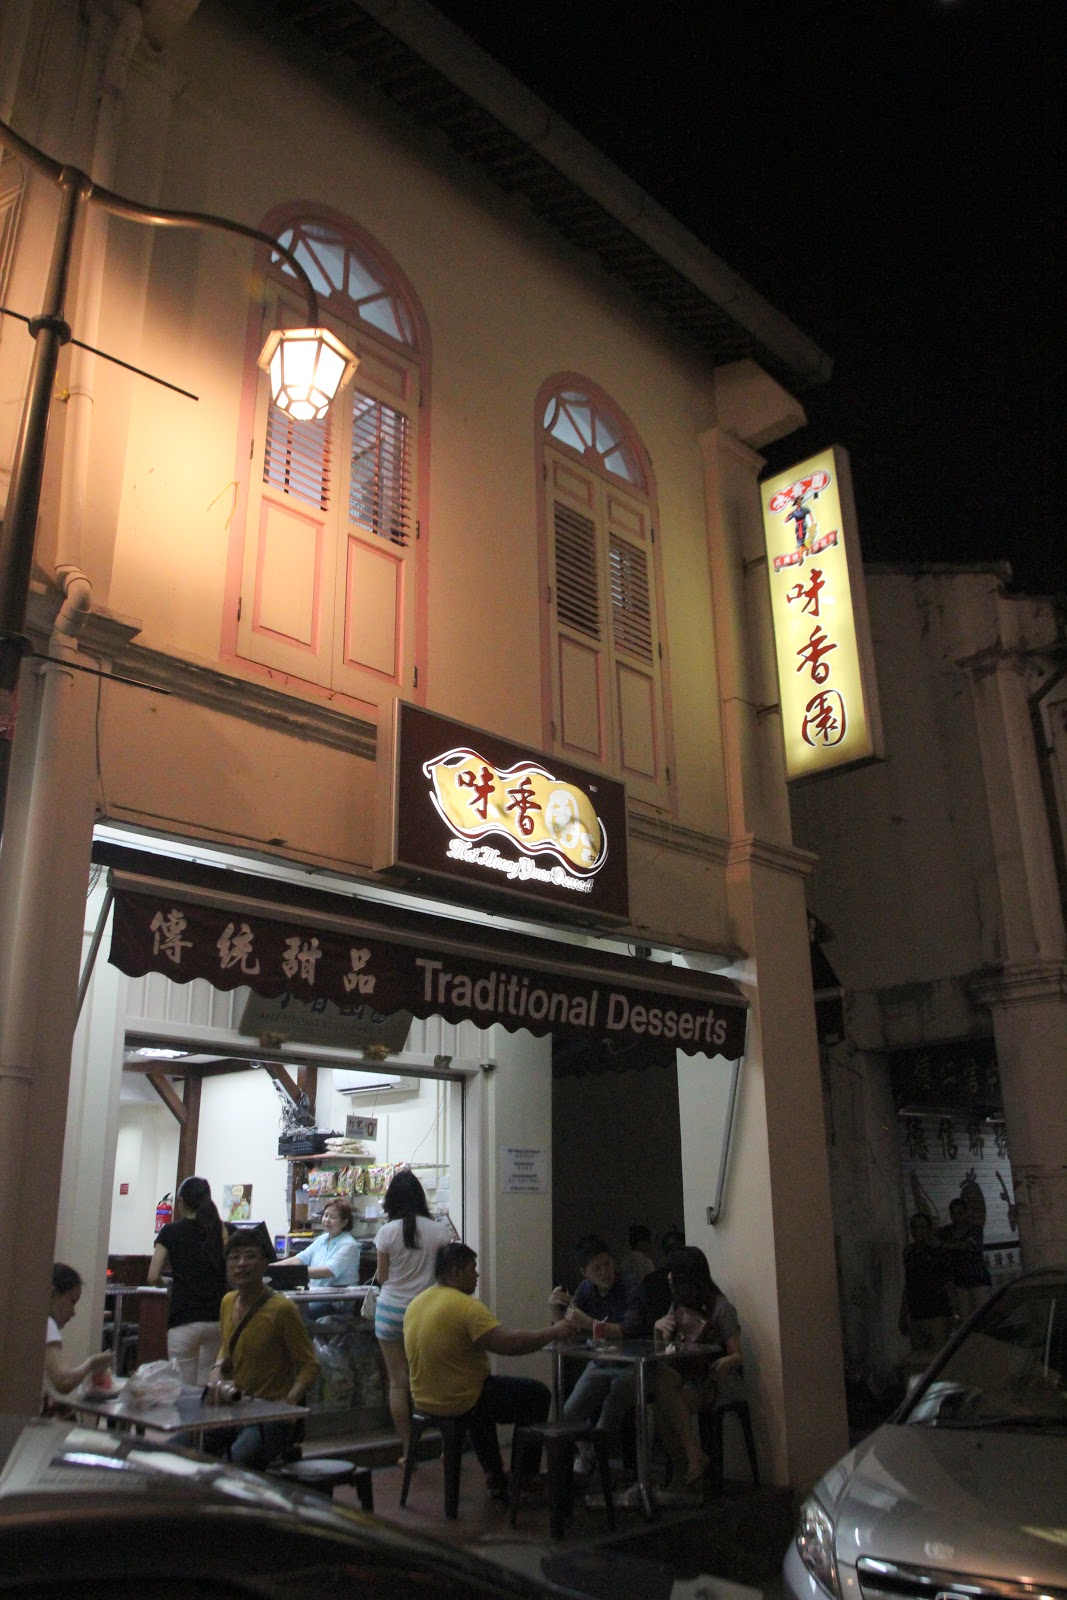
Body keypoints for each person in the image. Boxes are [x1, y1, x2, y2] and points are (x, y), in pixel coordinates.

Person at [404, 1241, 577, 1500]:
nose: (476, 1275)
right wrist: (554, 1331)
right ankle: (525, 1475)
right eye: (472, 1269)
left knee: (485, 1393)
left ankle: (494, 1473)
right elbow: (509, 1344)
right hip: (460, 1399)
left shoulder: (418, 1302)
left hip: (425, 1398)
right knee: (536, 1394)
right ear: (455, 1272)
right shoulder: (465, 1306)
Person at [204, 1229, 320, 1469]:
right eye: (234, 1257)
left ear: (265, 1262)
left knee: (232, 1467)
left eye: (250, 1256)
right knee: (178, 1449)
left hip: (269, 1419)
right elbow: (227, 1347)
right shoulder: (228, 1302)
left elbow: (309, 1365)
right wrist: (217, 1370)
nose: (241, 1264)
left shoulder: (281, 1309)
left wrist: (288, 1402)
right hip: (234, 1410)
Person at [372, 1169, 453, 1466]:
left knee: (398, 1382)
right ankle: (448, 1446)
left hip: (390, 1311)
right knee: (434, 1380)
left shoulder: (386, 1233)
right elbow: (445, 1274)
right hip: (428, 1313)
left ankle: (409, 1451)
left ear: (391, 1200)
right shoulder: (439, 1231)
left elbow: (382, 1278)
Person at [651, 1249, 743, 1492]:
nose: (669, 1277)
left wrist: (727, 1361)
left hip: (713, 1379)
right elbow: (663, 1354)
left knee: (663, 1407)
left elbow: (737, 1354)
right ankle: (693, 1458)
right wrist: (658, 1329)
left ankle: (685, 1468)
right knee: (661, 1384)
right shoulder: (678, 1306)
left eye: (674, 1273)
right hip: (685, 1375)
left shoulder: (721, 1307)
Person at [548, 1235, 643, 1471]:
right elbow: (569, 1330)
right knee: (568, 1414)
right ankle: (589, 1453)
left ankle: (594, 1459)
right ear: (584, 1272)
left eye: (607, 1264)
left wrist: (588, 1323)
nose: (604, 1272)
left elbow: (627, 1329)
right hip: (601, 1362)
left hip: (630, 1364)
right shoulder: (586, 1289)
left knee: (608, 1415)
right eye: (596, 1268)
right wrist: (555, 1311)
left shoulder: (629, 1285)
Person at [147, 1174, 228, 1385]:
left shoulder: (170, 1231)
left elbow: (153, 1275)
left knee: (183, 1390)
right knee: (207, 1386)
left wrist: (167, 1284)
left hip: (183, 1320)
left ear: (181, 1202)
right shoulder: (222, 1230)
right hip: (217, 1319)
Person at [44, 1263, 113, 1406]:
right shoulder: (47, 1324)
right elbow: (63, 1382)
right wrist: (91, 1364)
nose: (73, 1312)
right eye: (72, 1302)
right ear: (52, 1294)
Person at [899, 1211, 952, 1357]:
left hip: (937, 1313)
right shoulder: (909, 1253)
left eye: (922, 1227)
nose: (918, 1232)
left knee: (938, 1357)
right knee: (920, 1358)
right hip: (917, 1314)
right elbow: (908, 1284)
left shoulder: (938, 1251)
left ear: (929, 1229)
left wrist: (954, 1313)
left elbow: (948, 1283)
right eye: (914, 1228)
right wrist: (903, 1314)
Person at [275, 1197, 362, 1285]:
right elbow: (300, 1259)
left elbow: (328, 1271)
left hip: (338, 1296)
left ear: (344, 1222)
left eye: (333, 1217)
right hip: (316, 1294)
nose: (327, 1220)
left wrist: (292, 1272)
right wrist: (273, 1267)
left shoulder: (349, 1245)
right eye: (325, 1215)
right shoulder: (322, 1239)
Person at [940, 1196, 991, 1320]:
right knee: (965, 1321)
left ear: (966, 1213)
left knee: (983, 1318)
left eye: (960, 1213)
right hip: (960, 1284)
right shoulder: (947, 1231)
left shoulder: (975, 1229)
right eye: (954, 1214)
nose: (957, 1217)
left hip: (978, 1282)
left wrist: (944, 1245)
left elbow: (967, 1245)